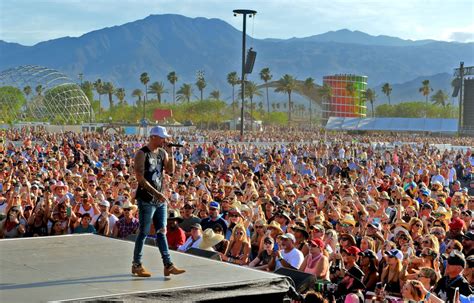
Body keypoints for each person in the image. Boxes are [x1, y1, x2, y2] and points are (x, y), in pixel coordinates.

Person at [131, 126, 185, 278]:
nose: (165, 140)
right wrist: (157, 193)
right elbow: (140, 179)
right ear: (153, 137)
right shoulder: (142, 154)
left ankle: (168, 265)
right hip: (147, 199)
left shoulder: (162, 152)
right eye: (162, 138)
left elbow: (170, 171)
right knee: (143, 232)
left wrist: (171, 153)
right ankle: (136, 264)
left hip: (160, 200)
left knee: (162, 231)